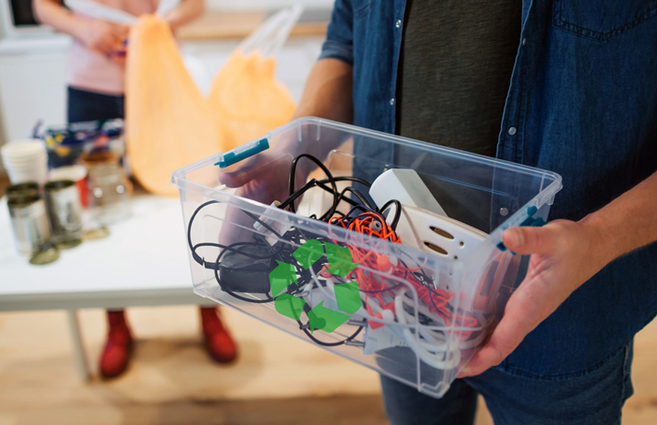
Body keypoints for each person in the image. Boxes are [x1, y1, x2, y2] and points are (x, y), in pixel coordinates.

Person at [219, 1, 657, 424]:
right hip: (388, 283)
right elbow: (346, 43)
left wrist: (597, 239)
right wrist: (297, 144)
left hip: (560, 311)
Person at [34, 0, 238, 379]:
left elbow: (195, 4)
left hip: (161, 79)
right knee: (99, 210)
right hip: (92, 88)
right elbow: (42, 6)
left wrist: (158, 27)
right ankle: (116, 323)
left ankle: (209, 309)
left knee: (184, 198)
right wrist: (84, 29)